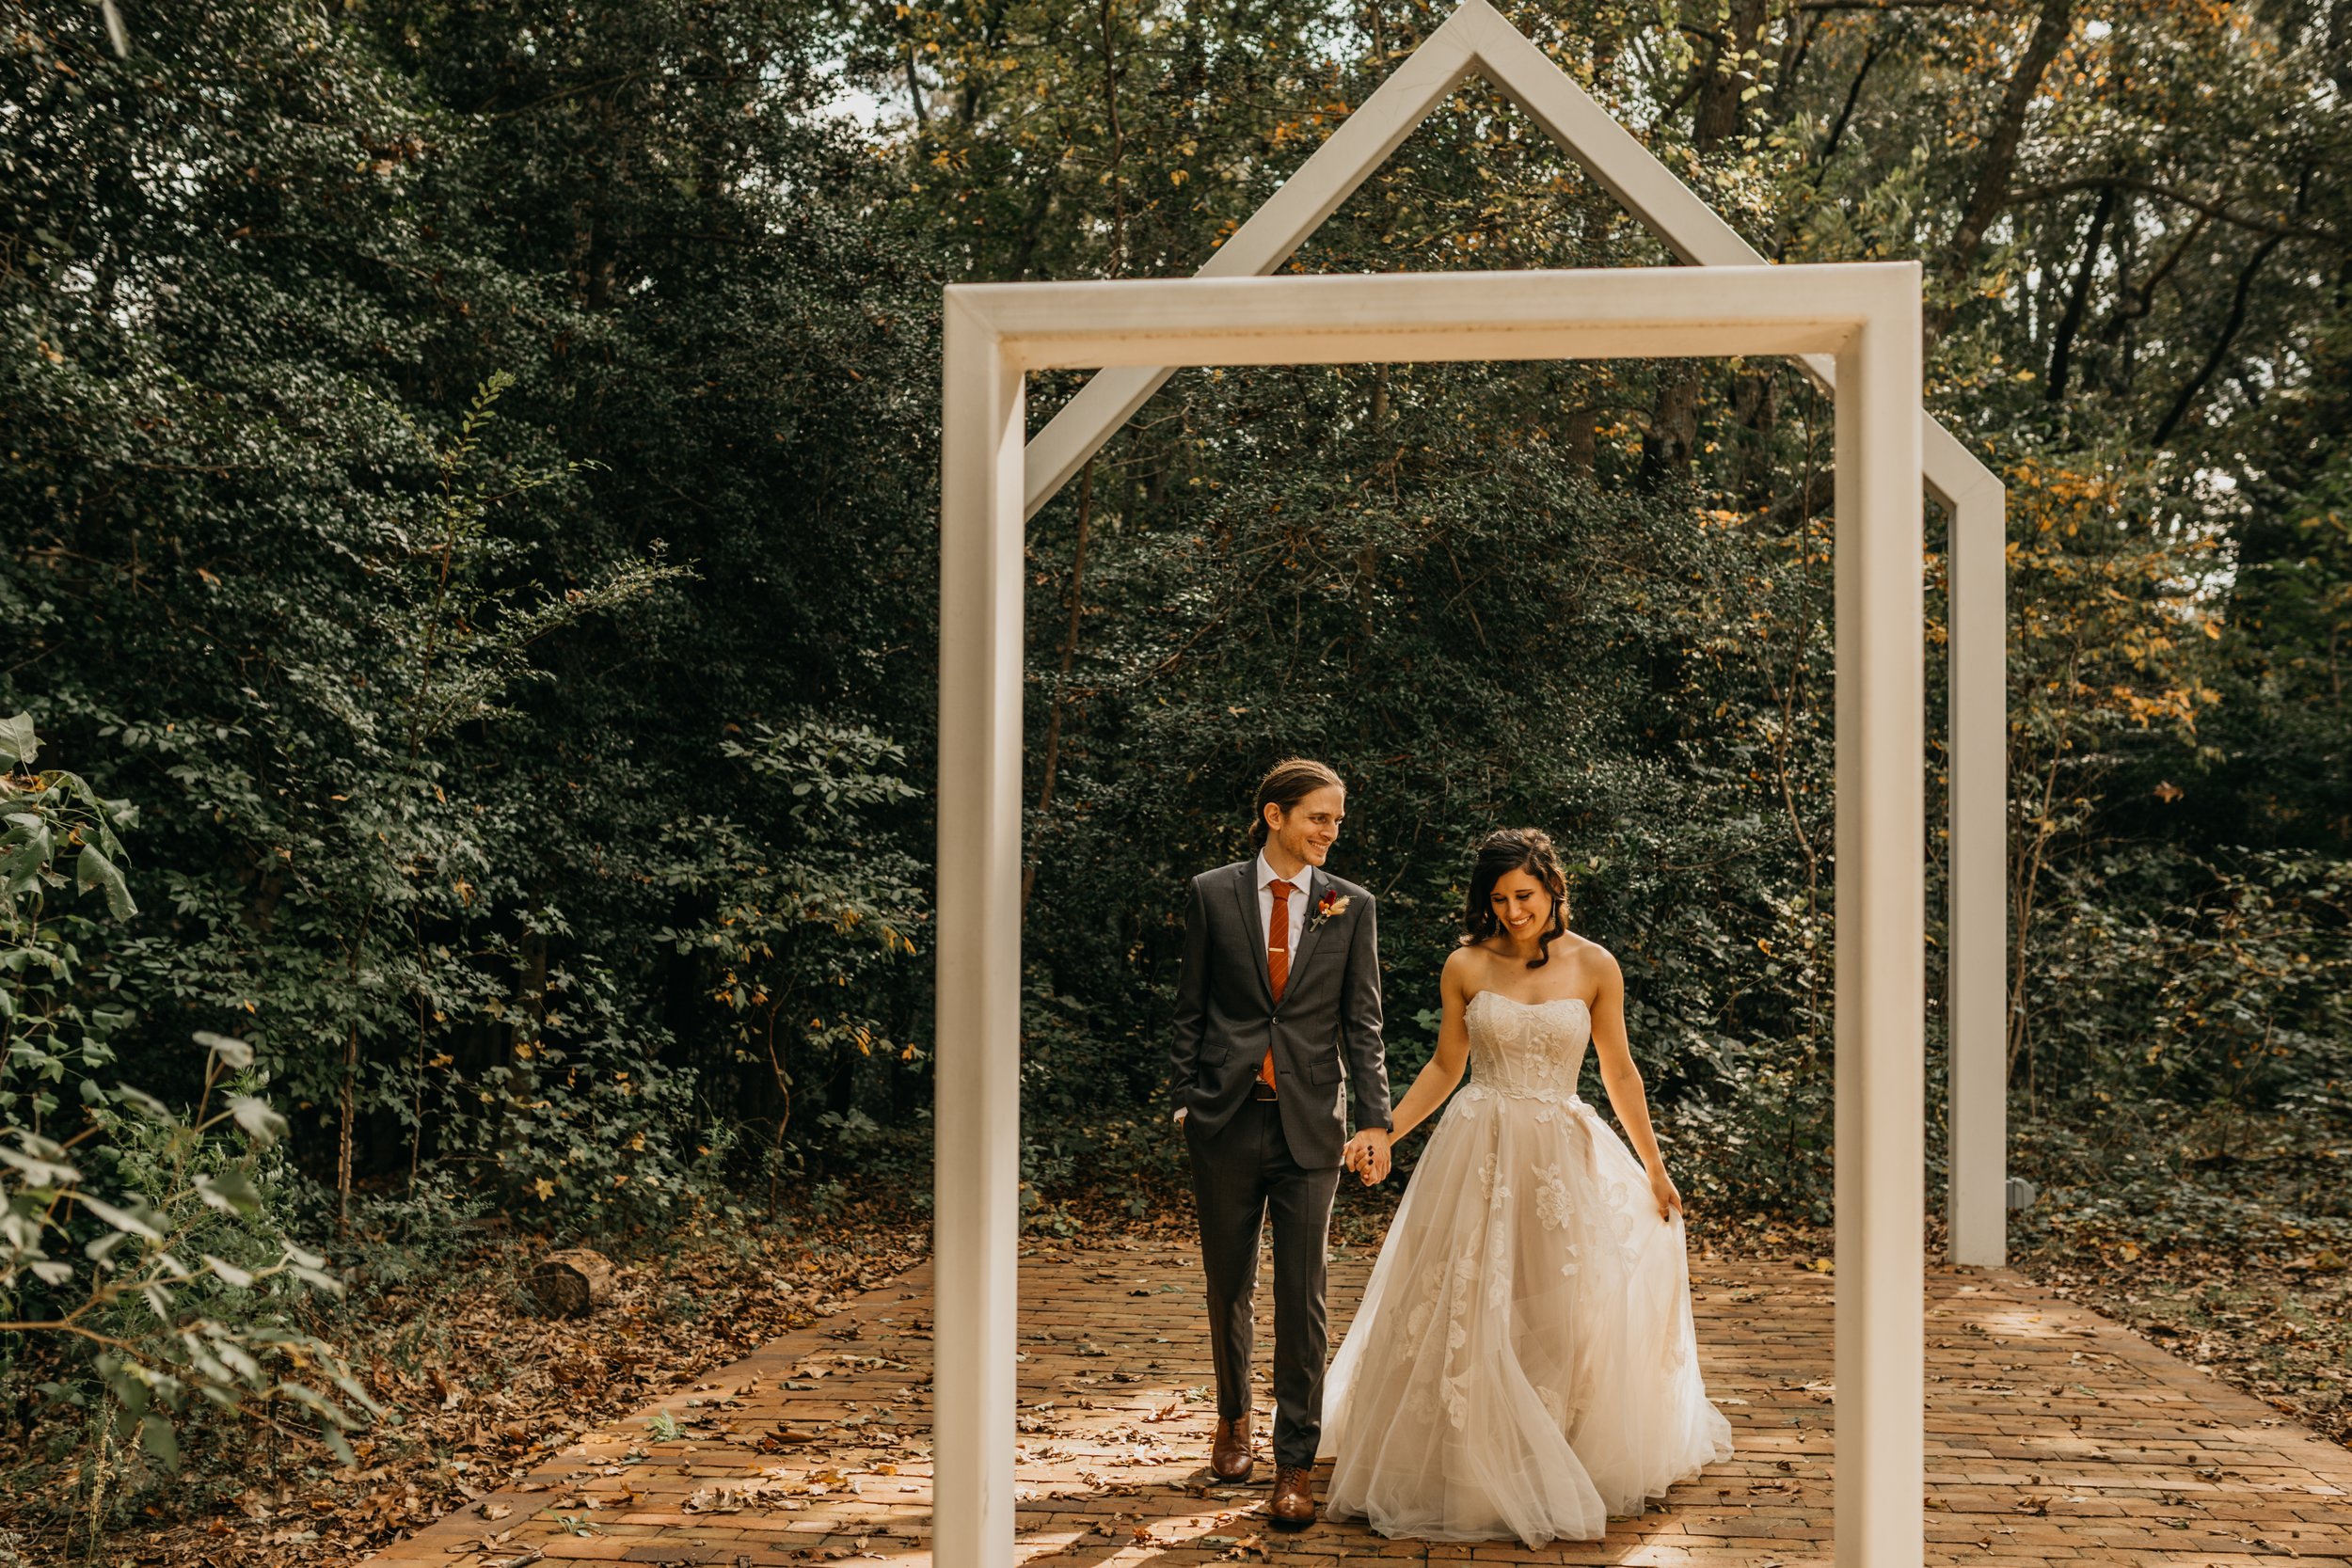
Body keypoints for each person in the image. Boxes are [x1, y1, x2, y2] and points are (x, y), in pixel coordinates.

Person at [1318, 827, 1733, 1544]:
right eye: (1501, 898)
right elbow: (1447, 1067)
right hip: (1478, 1144)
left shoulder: (1596, 965)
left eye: (1526, 896)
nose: (1513, 910)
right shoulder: (1465, 965)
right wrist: (1388, 1130)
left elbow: (1619, 1071)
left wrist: (1656, 1168)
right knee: (1473, 1299)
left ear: (1553, 890)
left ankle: (1557, 1445)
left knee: (1567, 1302)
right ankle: (1468, 1457)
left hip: (1559, 1153)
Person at [1168, 757, 1393, 1529]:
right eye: (1319, 817)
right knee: (1228, 1280)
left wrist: (1374, 1118)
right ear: (1275, 814)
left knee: (1304, 1295)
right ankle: (1232, 1420)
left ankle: (1294, 1461)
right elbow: (1188, 1008)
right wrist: (1185, 1101)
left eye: (1337, 819)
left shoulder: (1349, 905)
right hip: (1225, 1120)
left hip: (1310, 1125)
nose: (1332, 831)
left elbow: (1362, 1021)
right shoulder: (1212, 893)